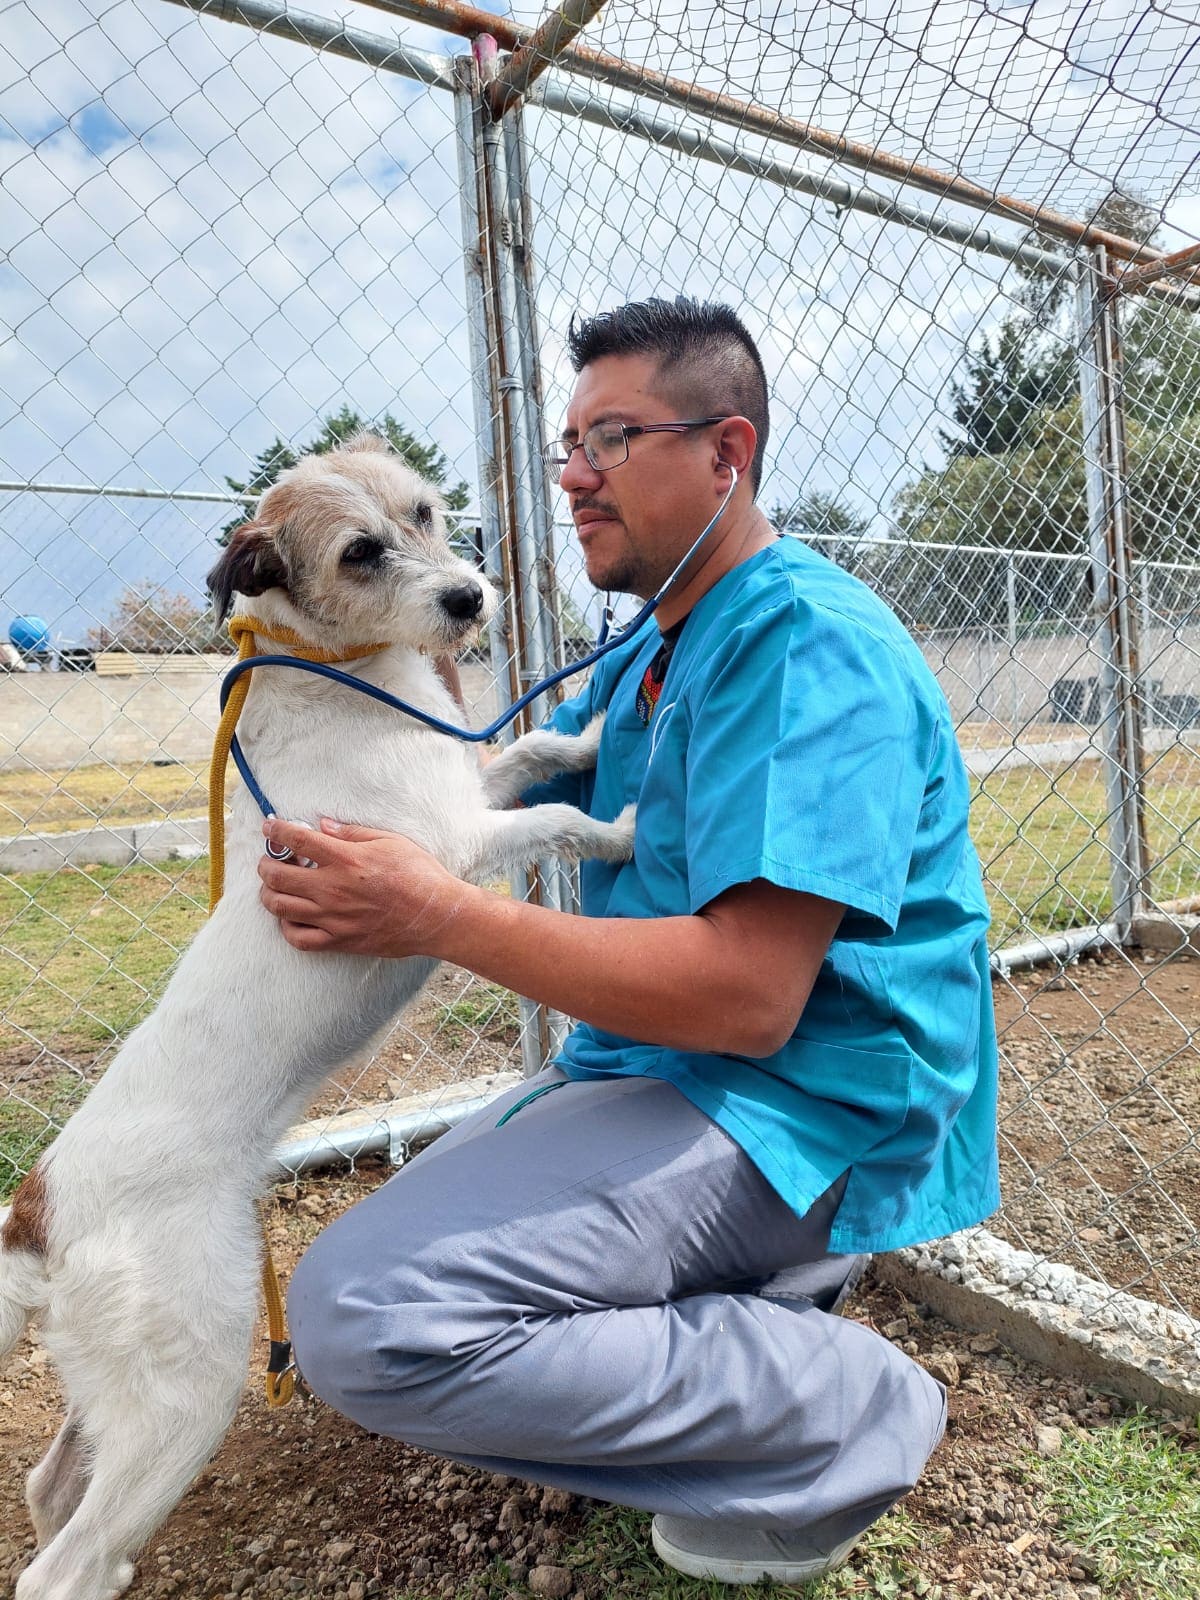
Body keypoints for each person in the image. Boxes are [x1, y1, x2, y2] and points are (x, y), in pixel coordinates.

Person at [257, 296, 999, 1587]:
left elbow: (754, 996)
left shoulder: (809, 647)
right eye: (567, 443)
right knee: (416, 1234)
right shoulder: (646, 658)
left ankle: (845, 1405)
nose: (573, 477)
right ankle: (759, 1313)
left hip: (798, 1102)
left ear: (729, 454)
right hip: (660, 1072)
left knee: (365, 1315)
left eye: (613, 438)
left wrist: (438, 914)